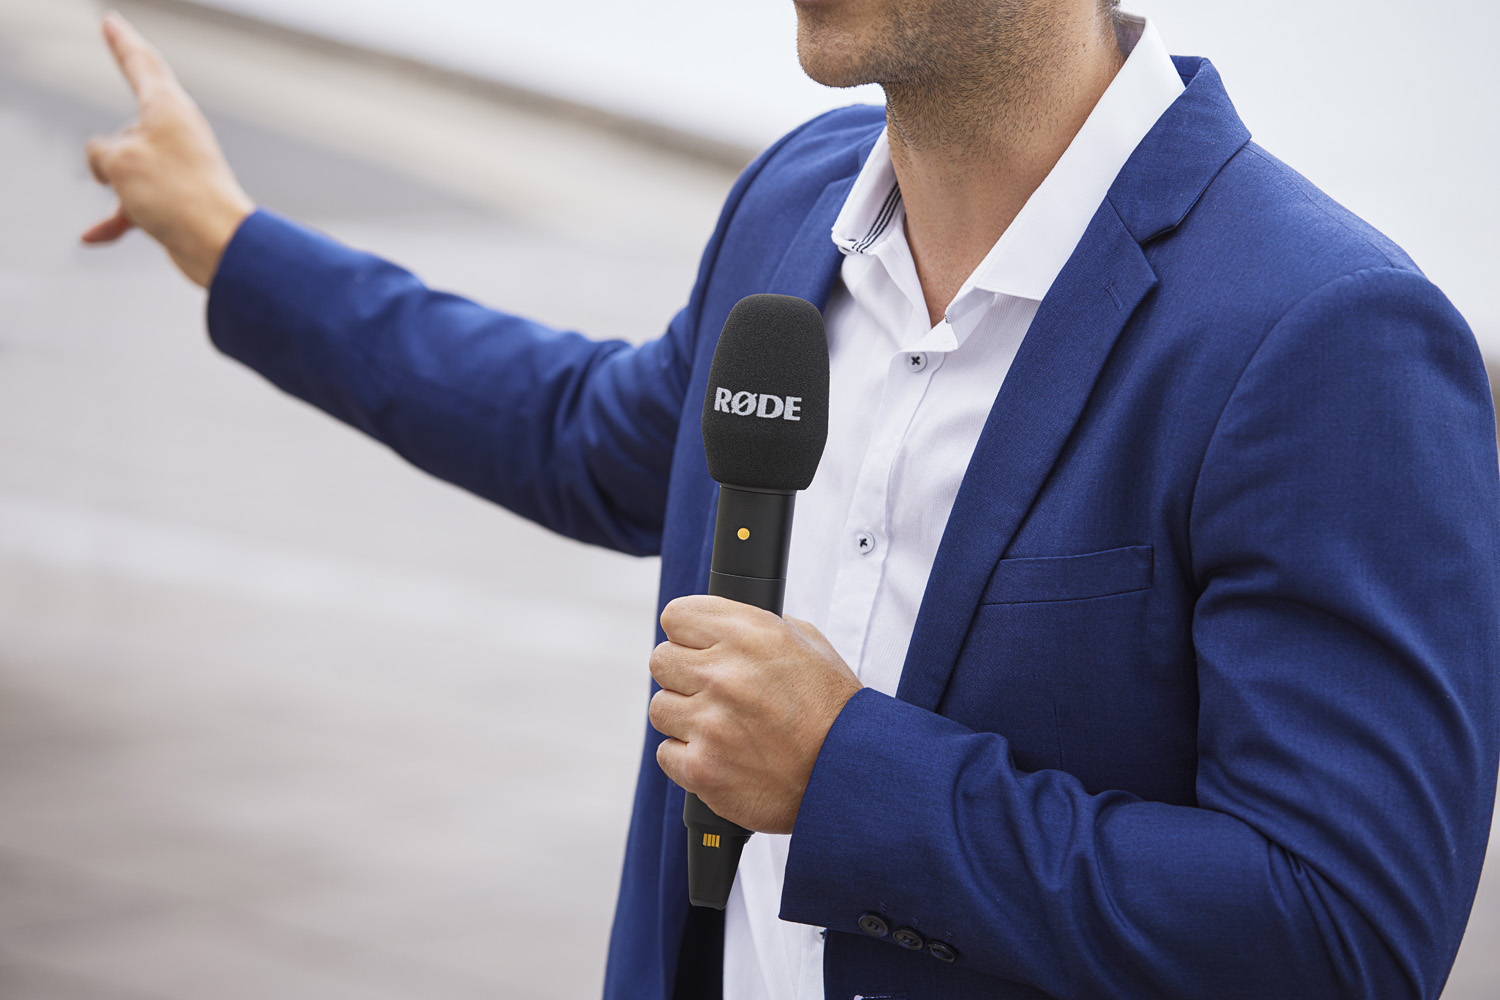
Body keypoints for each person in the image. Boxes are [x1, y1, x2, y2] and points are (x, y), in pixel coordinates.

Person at [81, 1, 1500, 997]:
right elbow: (583, 433)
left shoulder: (1330, 333)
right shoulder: (790, 207)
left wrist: (846, 776)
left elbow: (1342, 936)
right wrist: (230, 243)